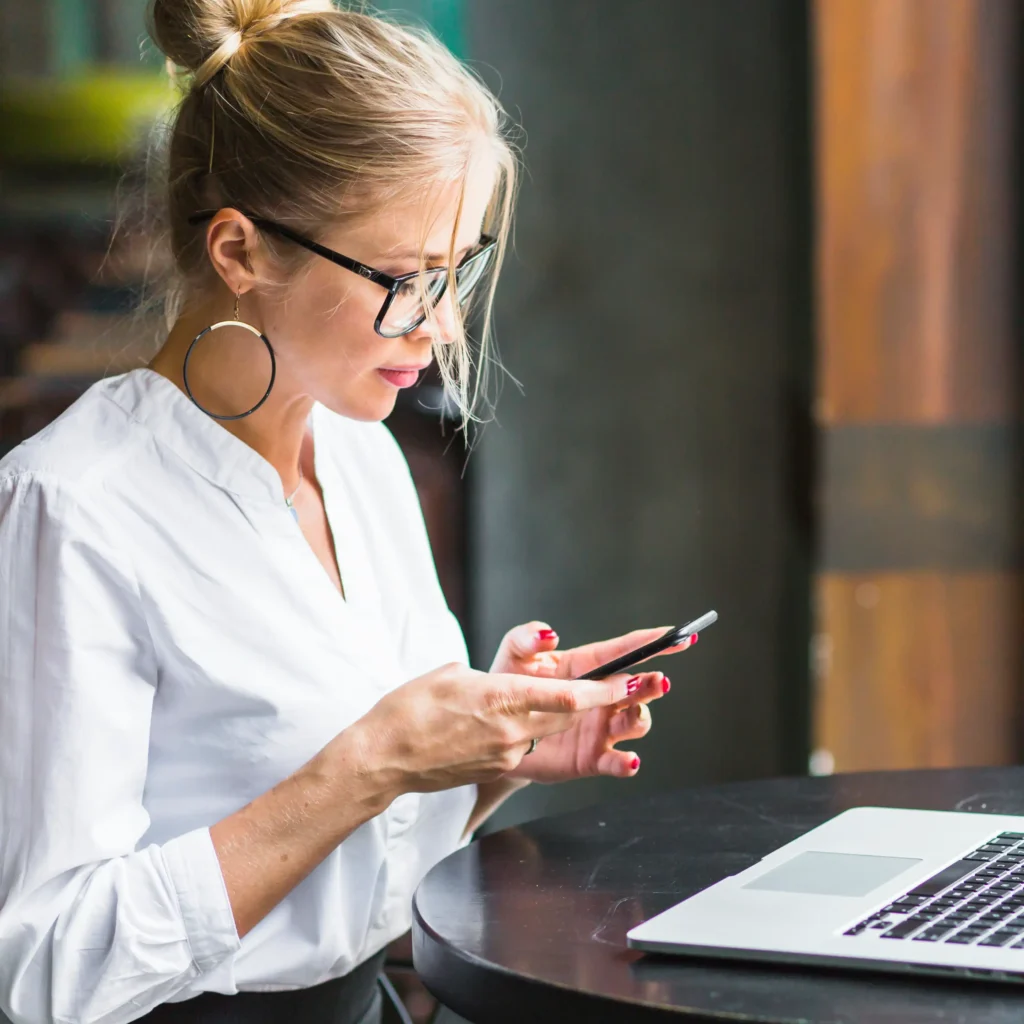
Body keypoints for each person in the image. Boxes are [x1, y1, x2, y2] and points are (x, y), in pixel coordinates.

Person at [0, 2, 693, 1022]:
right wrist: (368, 764)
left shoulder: (362, 459)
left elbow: (364, 867)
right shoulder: (73, 510)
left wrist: (488, 757)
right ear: (239, 251)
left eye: (456, 271)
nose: (442, 323)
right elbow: (44, 964)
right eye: (404, 279)